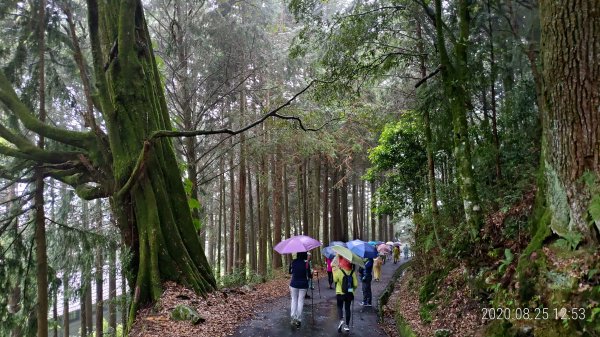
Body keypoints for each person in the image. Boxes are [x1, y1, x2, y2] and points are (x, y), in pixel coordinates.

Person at [333, 256, 358, 333]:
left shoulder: (339, 271)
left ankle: (341, 319)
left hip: (340, 293)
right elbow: (355, 284)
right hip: (349, 294)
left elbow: (335, 280)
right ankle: (347, 326)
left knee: (339, 307)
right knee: (347, 309)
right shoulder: (352, 272)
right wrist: (351, 289)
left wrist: (334, 271)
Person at [288, 251, 312, 327]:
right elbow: (309, 275)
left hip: (294, 283)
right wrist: (311, 273)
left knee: (294, 300)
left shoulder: (293, 262)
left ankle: (293, 317)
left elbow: (290, 272)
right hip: (303, 284)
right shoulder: (306, 263)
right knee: (300, 301)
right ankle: (298, 319)